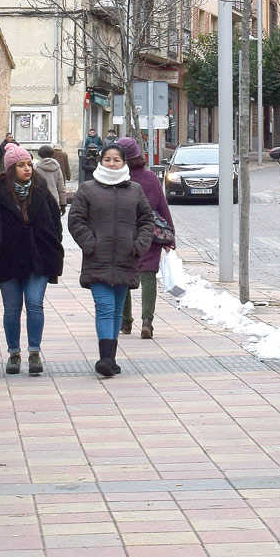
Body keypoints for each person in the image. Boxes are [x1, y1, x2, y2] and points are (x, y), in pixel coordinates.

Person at [69, 144, 155, 378]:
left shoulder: (135, 190)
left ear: (124, 163)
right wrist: (90, 244)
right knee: (105, 308)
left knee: (117, 310)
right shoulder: (87, 189)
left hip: (127, 259)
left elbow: (147, 220)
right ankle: (105, 358)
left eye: (116, 160)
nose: (112, 164)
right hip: (98, 259)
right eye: (107, 159)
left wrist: (138, 245)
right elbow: (76, 220)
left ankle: (111, 358)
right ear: (100, 161)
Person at [0, 145, 63, 376]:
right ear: (11, 168)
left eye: (29, 164)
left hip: (38, 256)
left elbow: (55, 221)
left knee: (34, 303)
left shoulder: (40, 189)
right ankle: (14, 353)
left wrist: (52, 245)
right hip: (7, 257)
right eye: (21, 165)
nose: (27, 169)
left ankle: (34, 352)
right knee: (11, 309)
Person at [115, 137, 173, 339]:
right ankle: (147, 321)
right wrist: (170, 237)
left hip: (123, 233)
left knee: (124, 277)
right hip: (150, 233)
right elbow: (162, 206)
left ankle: (125, 321)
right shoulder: (150, 178)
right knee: (148, 276)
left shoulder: (117, 178)